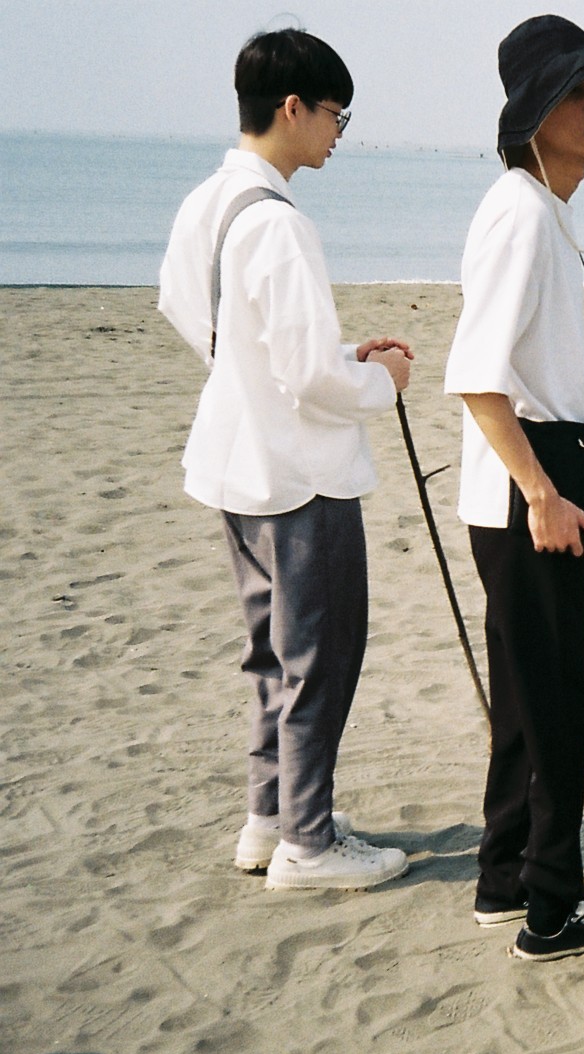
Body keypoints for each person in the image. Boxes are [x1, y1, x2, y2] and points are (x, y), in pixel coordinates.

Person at [158, 28, 413, 891]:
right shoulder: (278, 222)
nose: (340, 131)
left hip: (234, 464)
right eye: (337, 113)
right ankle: (309, 841)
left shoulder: (210, 200)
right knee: (322, 656)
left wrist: (320, 366)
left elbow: (191, 311)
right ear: (293, 108)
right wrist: (384, 382)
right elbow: (305, 371)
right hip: (297, 476)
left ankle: (269, 817)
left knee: (273, 653)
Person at [443, 14, 584, 960]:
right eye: (577, 92)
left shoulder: (539, 209)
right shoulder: (524, 214)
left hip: (523, 492)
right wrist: (540, 494)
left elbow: (530, 361)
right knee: (562, 703)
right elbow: (476, 375)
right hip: (525, 497)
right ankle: (552, 909)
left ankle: (506, 880)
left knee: (533, 702)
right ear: (532, 113)